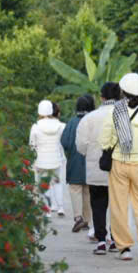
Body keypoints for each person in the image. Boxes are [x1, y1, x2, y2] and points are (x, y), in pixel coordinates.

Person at [99, 72, 138, 263]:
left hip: (119, 162)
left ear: (123, 92)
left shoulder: (114, 111)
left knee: (119, 205)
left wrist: (108, 147)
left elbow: (104, 139)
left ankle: (124, 248)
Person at [77, 81, 121, 254]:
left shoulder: (89, 118)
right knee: (117, 205)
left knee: (98, 205)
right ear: (119, 96)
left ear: (101, 97)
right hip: (119, 168)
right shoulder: (124, 116)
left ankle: (101, 241)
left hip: (96, 168)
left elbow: (81, 145)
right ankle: (116, 240)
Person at [61, 94, 95, 234]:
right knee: (88, 191)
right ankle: (87, 220)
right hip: (90, 163)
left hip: (74, 162)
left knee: (75, 189)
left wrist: (70, 153)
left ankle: (77, 217)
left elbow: (65, 142)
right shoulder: (93, 121)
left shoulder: (71, 122)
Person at [28, 100, 66, 215]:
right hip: (55, 159)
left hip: (40, 160)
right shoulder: (60, 126)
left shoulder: (35, 126)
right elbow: (63, 142)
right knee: (57, 182)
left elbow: (32, 145)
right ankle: (60, 208)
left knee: (43, 184)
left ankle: (47, 210)